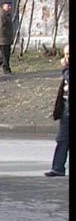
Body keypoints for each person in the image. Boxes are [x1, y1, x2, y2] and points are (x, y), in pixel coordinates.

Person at [44, 44, 69, 177]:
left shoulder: (67, 71)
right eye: (66, 54)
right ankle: (58, 167)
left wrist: (65, 68)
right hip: (66, 109)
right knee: (62, 139)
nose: (67, 57)